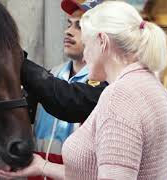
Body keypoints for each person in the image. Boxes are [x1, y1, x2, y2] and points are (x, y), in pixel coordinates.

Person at [0, 1, 167, 179]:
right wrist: (43, 166)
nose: (85, 54)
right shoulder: (157, 91)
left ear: (102, 41)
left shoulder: (119, 96)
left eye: (87, 42)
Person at [28, 0, 103, 179]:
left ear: (101, 36)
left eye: (79, 26)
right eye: (69, 24)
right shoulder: (51, 75)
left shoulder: (104, 84)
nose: (68, 31)